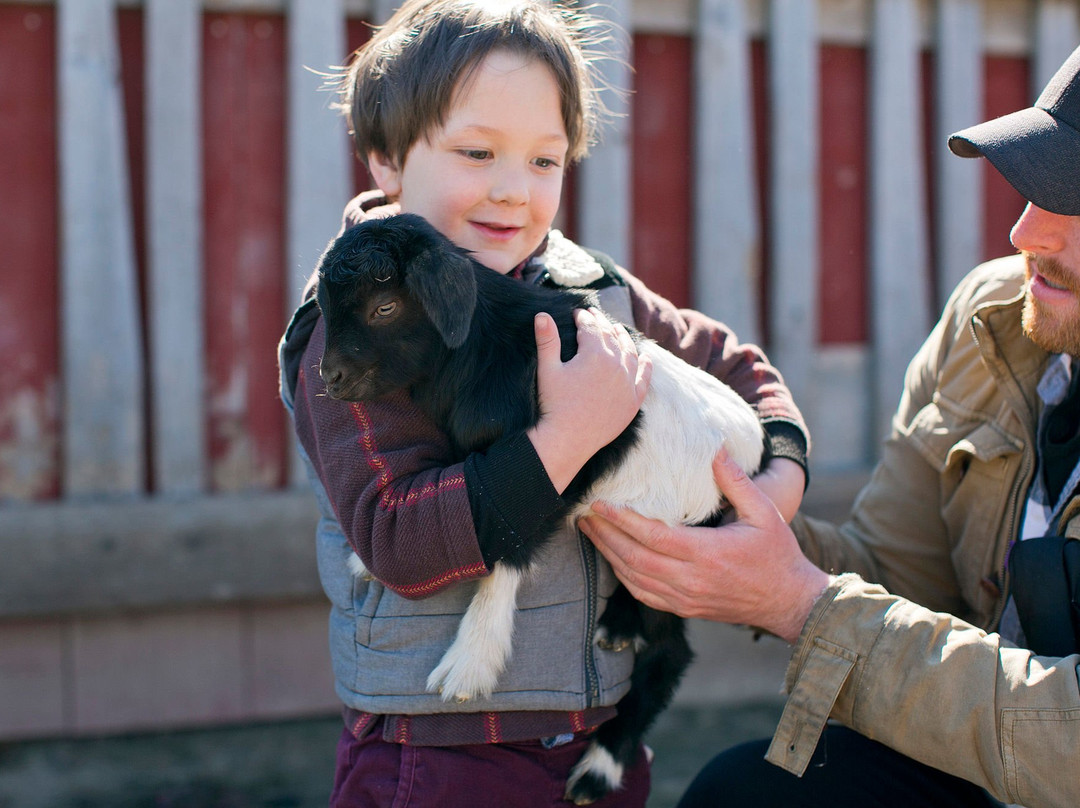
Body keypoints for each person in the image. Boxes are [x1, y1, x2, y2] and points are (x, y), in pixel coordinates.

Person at [277, 1, 810, 805]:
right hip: (445, 751)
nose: (512, 192)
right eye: (478, 151)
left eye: (544, 161)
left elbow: (734, 364)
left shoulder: (590, 289)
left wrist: (780, 478)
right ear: (387, 159)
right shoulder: (356, 330)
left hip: (599, 733)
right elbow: (399, 538)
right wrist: (568, 436)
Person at [581, 45, 1080, 808]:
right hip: (984, 779)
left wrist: (796, 602)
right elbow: (901, 578)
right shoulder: (995, 317)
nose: (1025, 234)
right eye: (1037, 181)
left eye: (1074, 202)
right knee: (744, 795)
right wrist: (714, 503)